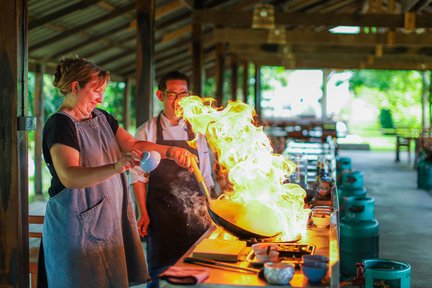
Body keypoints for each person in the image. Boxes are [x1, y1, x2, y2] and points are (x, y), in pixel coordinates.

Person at [40, 58, 197, 288]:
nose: (101, 98)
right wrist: (115, 167)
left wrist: (171, 151)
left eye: (103, 91)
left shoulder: (103, 117)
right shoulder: (61, 124)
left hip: (106, 221)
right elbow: (69, 176)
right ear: (75, 87)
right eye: (96, 91)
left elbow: (134, 145)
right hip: (74, 227)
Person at [130, 71, 214, 288]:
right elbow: (139, 177)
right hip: (161, 215)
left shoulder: (198, 133)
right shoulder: (146, 131)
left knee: (197, 273)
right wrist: (143, 212)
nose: (178, 101)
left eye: (183, 94)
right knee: (161, 275)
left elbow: (206, 177)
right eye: (172, 95)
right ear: (160, 95)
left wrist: (213, 211)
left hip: (197, 216)